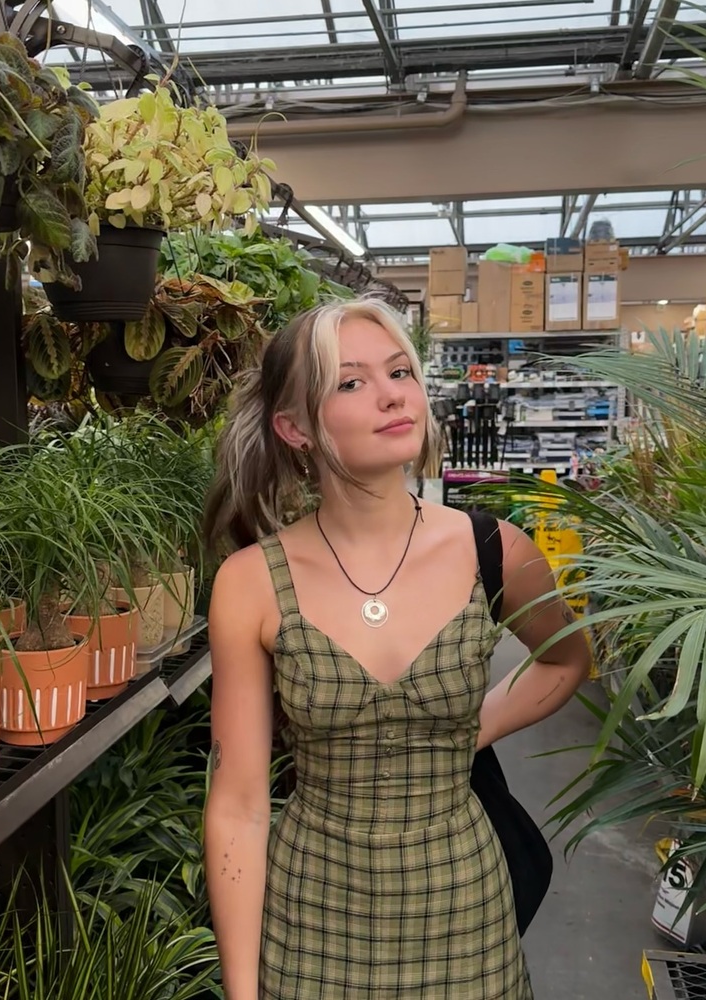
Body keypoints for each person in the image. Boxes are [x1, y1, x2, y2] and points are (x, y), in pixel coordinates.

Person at [202, 297, 591, 999]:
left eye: (399, 372)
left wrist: (482, 724)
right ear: (295, 428)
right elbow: (239, 805)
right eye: (351, 382)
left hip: (464, 911)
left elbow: (567, 658)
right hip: (311, 917)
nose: (391, 395)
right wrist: (241, 992)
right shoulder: (252, 583)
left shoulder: (492, 550)